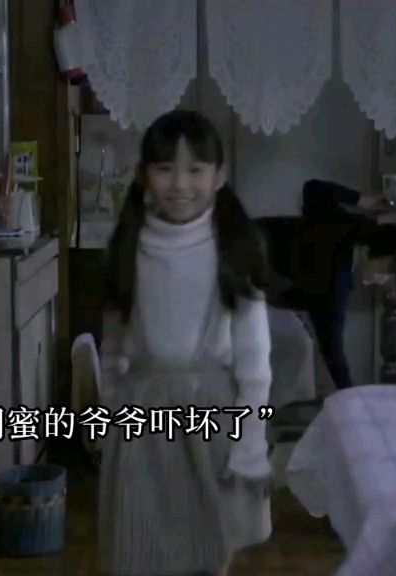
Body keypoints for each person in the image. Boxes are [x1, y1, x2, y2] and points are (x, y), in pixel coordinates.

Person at [97, 109, 274, 576]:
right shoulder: (127, 246)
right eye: (164, 168)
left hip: (213, 420)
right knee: (137, 551)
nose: (180, 184)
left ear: (218, 176)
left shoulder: (236, 248)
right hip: (140, 422)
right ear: (143, 175)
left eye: (195, 169)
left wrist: (249, 448)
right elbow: (112, 349)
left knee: (207, 553)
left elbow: (255, 367)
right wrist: (110, 413)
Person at [258, 179, 396, 389]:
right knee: (295, 348)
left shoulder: (346, 225)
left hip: (242, 234)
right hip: (240, 273)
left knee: (300, 343)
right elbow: (332, 350)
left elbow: (313, 188)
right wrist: (351, 394)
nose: (381, 280)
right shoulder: (335, 281)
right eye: (383, 271)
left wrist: (362, 200)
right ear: (368, 252)